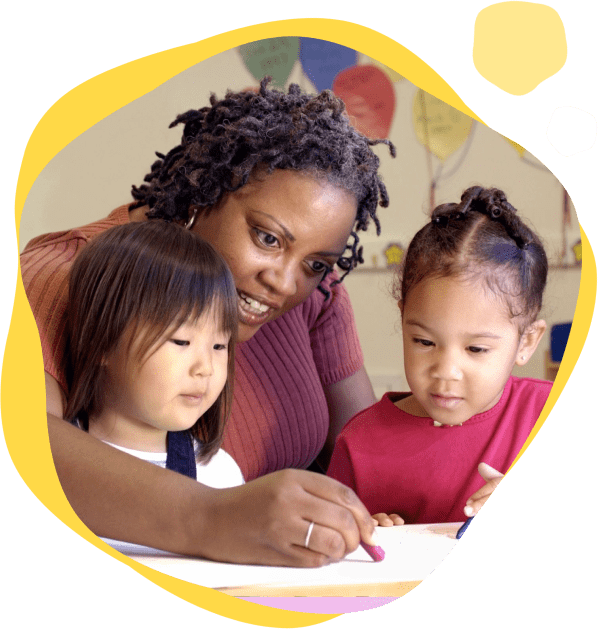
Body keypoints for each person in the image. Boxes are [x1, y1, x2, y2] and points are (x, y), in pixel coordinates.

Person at [21, 77, 394, 565]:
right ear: (203, 195)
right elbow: (23, 441)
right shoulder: (67, 273)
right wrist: (212, 517)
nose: (285, 283)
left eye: (316, 263)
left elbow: (372, 461)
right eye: (267, 238)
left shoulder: (314, 295)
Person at [327, 186, 552, 525]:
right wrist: (361, 537)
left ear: (526, 342)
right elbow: (328, 552)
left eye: (475, 349)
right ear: (403, 320)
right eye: (424, 342)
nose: (445, 371)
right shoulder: (359, 444)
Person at [63, 221, 244, 489]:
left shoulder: (219, 477)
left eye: (219, 346)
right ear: (99, 342)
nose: (206, 368)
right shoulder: (49, 458)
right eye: (182, 341)